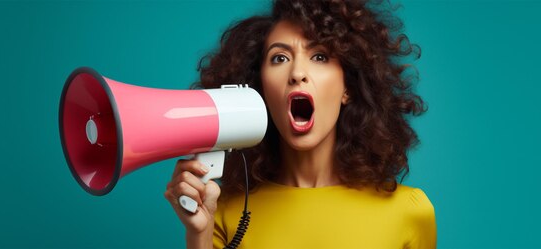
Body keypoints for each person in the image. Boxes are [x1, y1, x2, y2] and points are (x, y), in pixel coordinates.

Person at [163, 0, 436, 248]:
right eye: (279, 58)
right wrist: (199, 234)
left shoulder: (409, 212)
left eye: (319, 56)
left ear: (348, 87)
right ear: (260, 91)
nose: (297, 73)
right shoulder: (223, 210)